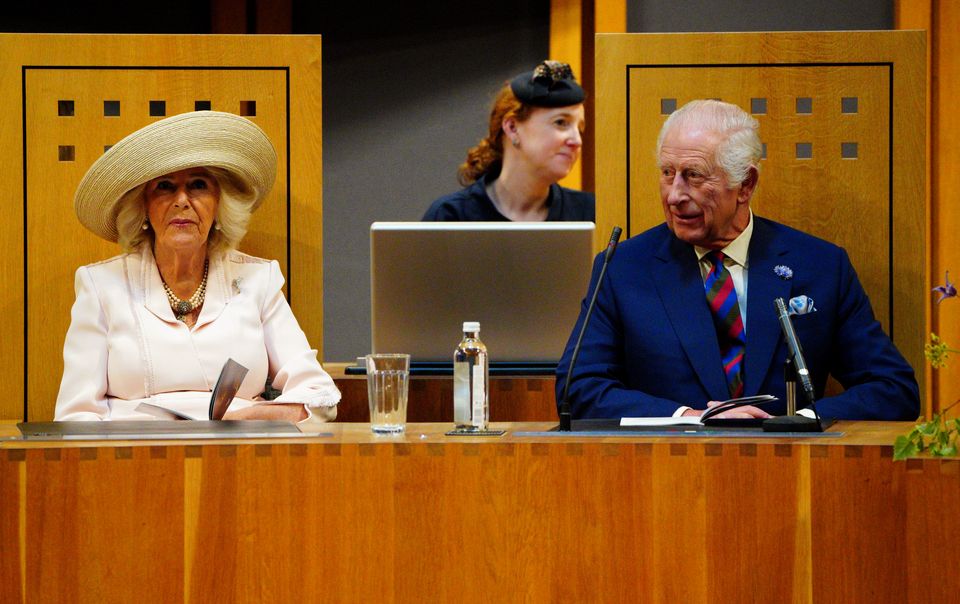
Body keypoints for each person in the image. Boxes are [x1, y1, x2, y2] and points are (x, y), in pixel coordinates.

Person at [556, 99, 919, 421]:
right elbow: (578, 388)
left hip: (792, 473)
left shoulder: (820, 265)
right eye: (667, 173)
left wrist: (799, 420)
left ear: (745, 184)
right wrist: (690, 416)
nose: (675, 195)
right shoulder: (623, 268)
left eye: (694, 175)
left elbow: (892, 389)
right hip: (667, 472)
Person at [55, 111, 341, 422]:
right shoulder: (101, 285)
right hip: (136, 458)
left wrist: (251, 417)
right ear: (143, 208)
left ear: (220, 205)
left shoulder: (259, 279)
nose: (181, 200)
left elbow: (319, 396)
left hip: (238, 454)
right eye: (164, 186)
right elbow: (75, 416)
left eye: (198, 185)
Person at [422, 60, 595, 222]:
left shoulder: (592, 214)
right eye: (560, 123)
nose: (577, 141)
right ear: (512, 128)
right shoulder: (450, 217)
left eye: (579, 128)